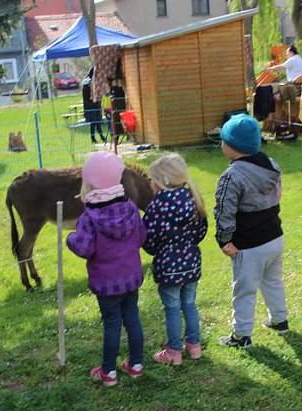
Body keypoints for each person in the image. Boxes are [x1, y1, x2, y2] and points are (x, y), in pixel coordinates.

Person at [67, 151, 147, 386]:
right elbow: (141, 236)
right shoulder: (131, 208)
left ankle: (109, 372)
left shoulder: (89, 217)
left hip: (106, 284)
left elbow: (83, 248)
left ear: (89, 182)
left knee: (112, 324)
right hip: (131, 279)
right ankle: (136, 365)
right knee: (132, 319)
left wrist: (71, 238)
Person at [214, 114, 288, 349]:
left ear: (232, 146)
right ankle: (280, 319)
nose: (221, 144)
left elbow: (224, 210)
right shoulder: (272, 165)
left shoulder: (231, 177)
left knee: (244, 290)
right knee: (273, 280)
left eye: (223, 140)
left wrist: (224, 239)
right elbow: (277, 195)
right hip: (274, 237)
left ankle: (241, 335)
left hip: (248, 245)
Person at [142, 153, 208, 365]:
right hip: (191, 264)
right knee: (189, 304)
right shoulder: (193, 198)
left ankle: (174, 351)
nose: (151, 183)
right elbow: (201, 231)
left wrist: (156, 251)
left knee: (172, 308)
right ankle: (194, 346)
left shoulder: (156, 206)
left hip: (167, 267)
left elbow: (148, 238)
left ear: (164, 181)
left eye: (152, 179)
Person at [82, 67, 107, 144]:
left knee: (96, 121)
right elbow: (87, 95)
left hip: (94, 104)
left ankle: (99, 137)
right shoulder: (88, 82)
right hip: (91, 104)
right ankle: (96, 137)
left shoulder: (91, 82)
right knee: (94, 122)